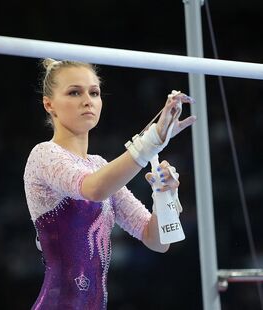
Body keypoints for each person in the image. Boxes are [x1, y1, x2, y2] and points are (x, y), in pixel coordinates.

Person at [23, 58, 196, 310]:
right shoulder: (44, 155)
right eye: (74, 92)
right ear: (49, 104)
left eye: (94, 92)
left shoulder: (100, 166)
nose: (87, 100)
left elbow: (156, 241)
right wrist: (151, 142)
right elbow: (93, 189)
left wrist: (164, 195)